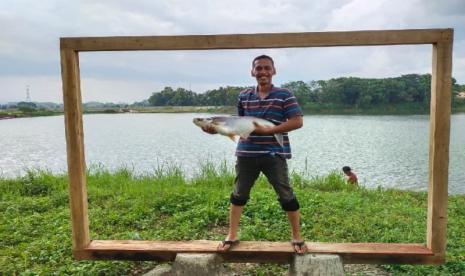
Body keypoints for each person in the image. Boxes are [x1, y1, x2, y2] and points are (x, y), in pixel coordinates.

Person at [203, 55, 307, 254]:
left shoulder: (285, 95)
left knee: (286, 195)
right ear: (253, 72)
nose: (263, 72)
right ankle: (231, 235)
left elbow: (297, 121)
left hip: (274, 155)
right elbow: (238, 125)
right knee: (239, 194)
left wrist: (269, 131)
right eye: (258, 68)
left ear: (273, 71)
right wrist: (215, 129)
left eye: (267, 68)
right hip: (246, 154)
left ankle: (297, 237)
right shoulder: (244, 95)